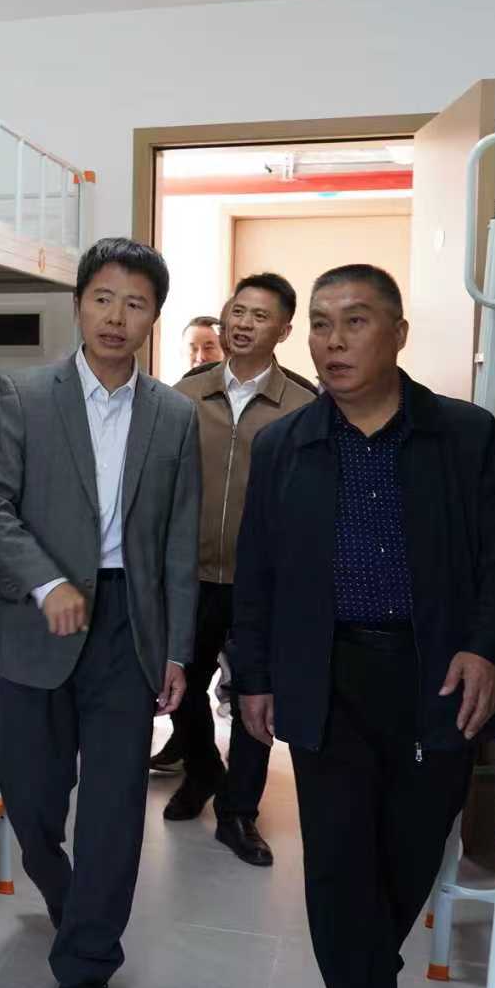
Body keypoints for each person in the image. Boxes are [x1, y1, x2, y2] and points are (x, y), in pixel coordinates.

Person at [232, 264, 495, 988]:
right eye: (321, 324)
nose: (333, 341)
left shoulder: (462, 436)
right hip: (324, 673)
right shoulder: (286, 445)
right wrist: (253, 675)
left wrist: (488, 647)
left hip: (437, 676)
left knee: (407, 852)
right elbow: (256, 573)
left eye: (355, 321)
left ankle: (366, 979)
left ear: (398, 333)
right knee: (336, 863)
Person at [0, 237, 200, 988]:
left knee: (113, 812)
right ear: (79, 305)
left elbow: (178, 544)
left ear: (153, 317)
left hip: (129, 630)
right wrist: (45, 582)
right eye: (103, 298)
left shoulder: (173, 416)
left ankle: (87, 970)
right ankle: (71, 902)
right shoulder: (24, 395)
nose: (116, 316)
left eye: (135, 303)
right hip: (38, 622)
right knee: (29, 795)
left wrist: (178, 652)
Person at [162, 273, 315, 873]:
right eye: (237, 312)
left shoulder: (304, 405)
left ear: (284, 329)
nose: (244, 324)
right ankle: (203, 770)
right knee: (178, 685)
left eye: (260, 316)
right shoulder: (185, 394)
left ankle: (238, 811)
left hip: (263, 583)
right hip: (190, 574)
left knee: (256, 694)